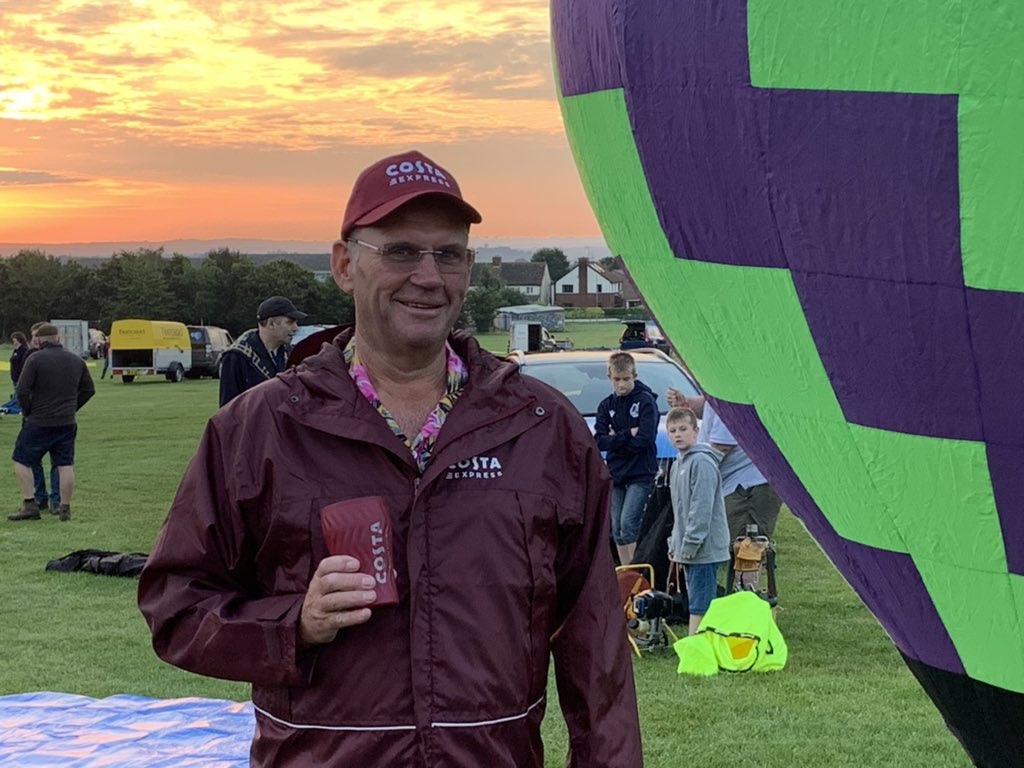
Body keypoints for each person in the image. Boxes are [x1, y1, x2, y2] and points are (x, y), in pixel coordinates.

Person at [138, 149, 642, 767]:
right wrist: (292, 623)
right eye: (401, 251)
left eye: (448, 254)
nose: (428, 276)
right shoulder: (261, 427)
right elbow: (176, 605)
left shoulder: (539, 425)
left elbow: (598, 643)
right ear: (345, 265)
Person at [8, 323, 94, 522]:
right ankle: (64, 508)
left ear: (39, 340)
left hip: (39, 421)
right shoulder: (75, 359)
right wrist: (72, 408)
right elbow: (89, 390)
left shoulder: (35, 359)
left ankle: (30, 504)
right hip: (66, 422)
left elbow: (22, 390)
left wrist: (29, 411)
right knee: (64, 464)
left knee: (22, 459)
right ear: (58, 338)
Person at [665, 406, 729, 635]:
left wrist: (690, 544)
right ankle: (700, 642)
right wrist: (675, 543)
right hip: (688, 548)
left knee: (701, 603)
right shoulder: (678, 464)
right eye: (672, 430)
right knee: (695, 597)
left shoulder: (702, 463)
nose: (678, 434)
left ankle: (697, 646)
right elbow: (679, 511)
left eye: (683, 429)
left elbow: (701, 509)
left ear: (696, 430)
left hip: (705, 547)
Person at [594, 350, 659, 565]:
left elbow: (645, 439)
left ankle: (637, 573)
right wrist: (628, 433)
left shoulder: (645, 401)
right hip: (616, 472)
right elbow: (600, 441)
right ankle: (626, 572)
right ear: (609, 378)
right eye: (617, 380)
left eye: (626, 379)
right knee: (617, 528)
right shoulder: (606, 405)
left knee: (629, 522)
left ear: (634, 376)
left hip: (640, 471)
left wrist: (617, 439)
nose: (621, 385)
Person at [218, 296, 307, 406]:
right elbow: (228, 408)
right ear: (271, 323)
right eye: (290, 322)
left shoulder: (290, 353)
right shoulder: (236, 357)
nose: (295, 328)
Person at [1, 332, 28, 414]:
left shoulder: (24, 350)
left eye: (15, 339)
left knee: (18, 395)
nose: (13, 340)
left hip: (20, 376)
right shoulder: (16, 350)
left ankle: (17, 409)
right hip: (14, 376)